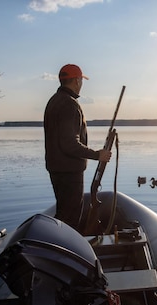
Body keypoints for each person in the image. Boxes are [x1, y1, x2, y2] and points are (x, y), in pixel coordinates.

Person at [44, 64, 111, 230]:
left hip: (57, 169)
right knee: (70, 220)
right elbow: (69, 144)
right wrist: (97, 155)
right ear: (76, 81)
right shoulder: (70, 104)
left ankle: (60, 248)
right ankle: (66, 252)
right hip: (69, 172)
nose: (81, 84)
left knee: (63, 215)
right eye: (81, 80)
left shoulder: (54, 101)